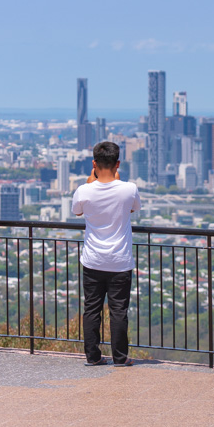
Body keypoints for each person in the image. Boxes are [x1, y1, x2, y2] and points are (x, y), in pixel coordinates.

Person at [72, 141, 141, 366]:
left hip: (92, 260)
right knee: (119, 311)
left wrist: (91, 180)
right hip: (120, 261)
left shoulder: (84, 190)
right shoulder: (129, 188)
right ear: (117, 163)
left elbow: (77, 211)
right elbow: (133, 208)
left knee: (91, 309)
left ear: (94, 163)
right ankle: (120, 358)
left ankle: (93, 356)